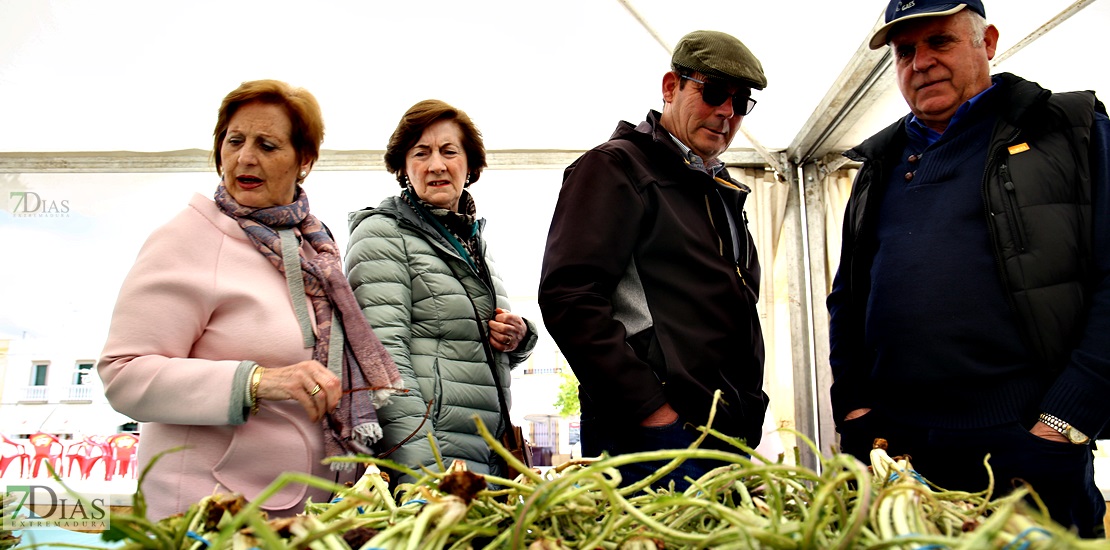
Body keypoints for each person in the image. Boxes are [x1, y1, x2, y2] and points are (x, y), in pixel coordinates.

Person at [828, 0, 1110, 537]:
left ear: (988, 42)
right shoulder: (879, 164)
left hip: (1031, 446)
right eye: (905, 51)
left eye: (940, 41)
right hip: (906, 456)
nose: (921, 62)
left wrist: (1065, 422)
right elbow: (848, 298)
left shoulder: (1070, 132)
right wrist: (857, 408)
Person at [98, 79, 402, 520]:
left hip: (304, 516)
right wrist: (257, 381)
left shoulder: (314, 249)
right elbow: (123, 375)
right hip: (209, 517)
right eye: (234, 140)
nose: (245, 157)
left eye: (267, 145)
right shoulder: (186, 238)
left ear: (305, 161)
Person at [538, 30, 769, 490]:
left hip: (720, 435)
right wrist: (652, 411)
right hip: (653, 439)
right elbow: (570, 298)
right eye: (715, 92)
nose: (727, 111)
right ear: (671, 87)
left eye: (741, 103)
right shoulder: (616, 167)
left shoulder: (717, 189)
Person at [345, 99, 538, 485]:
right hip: (434, 462)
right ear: (403, 167)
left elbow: (469, 360)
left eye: (449, 151)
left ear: (470, 165)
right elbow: (383, 365)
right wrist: (425, 476)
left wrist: (520, 339)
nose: (436, 165)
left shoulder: (473, 242)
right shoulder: (383, 235)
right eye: (421, 153)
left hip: (484, 459)